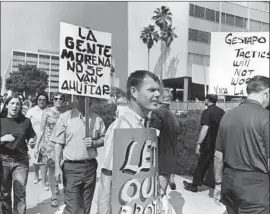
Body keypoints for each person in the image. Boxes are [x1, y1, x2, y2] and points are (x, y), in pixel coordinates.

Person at [97, 70, 161, 214]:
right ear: (134, 92)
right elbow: (107, 178)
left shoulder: (144, 125)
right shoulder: (123, 126)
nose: (157, 94)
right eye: (151, 90)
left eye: (158, 90)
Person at [214, 75, 269, 214]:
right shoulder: (266, 117)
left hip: (229, 181)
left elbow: (218, 155)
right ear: (266, 92)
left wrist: (218, 183)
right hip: (255, 187)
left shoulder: (227, 115)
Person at [51, 95, 106, 214]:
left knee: (86, 205)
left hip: (90, 167)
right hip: (71, 168)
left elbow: (104, 139)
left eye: (91, 98)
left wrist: (94, 142)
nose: (89, 101)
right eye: (85, 98)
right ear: (77, 98)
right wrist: (57, 168)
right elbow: (58, 144)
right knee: (73, 207)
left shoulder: (97, 119)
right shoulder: (66, 117)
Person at [0, 95, 36, 214]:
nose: (15, 106)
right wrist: (2, 138)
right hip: (3, 160)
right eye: (12, 103)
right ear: (6, 105)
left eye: (18, 104)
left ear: (21, 107)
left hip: (21, 161)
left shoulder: (25, 121)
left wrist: (31, 141)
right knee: (4, 192)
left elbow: (31, 135)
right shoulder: (1, 120)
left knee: (20, 193)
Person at [183, 94, 225, 192]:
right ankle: (212, 184)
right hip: (218, 142)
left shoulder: (207, 112)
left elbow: (205, 128)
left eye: (205, 99)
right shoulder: (222, 112)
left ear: (208, 100)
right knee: (215, 164)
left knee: (202, 164)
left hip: (208, 143)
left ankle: (194, 185)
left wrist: (199, 143)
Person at [34, 92, 65, 207]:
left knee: (61, 170)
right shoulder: (46, 112)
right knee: (52, 172)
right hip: (48, 146)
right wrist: (37, 146)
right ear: (52, 99)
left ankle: (56, 186)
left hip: (62, 146)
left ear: (63, 100)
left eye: (60, 98)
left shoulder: (65, 114)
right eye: (56, 98)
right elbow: (41, 130)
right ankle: (53, 196)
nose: (58, 100)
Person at [149, 88, 178, 195]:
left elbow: (152, 137)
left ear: (159, 99)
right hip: (169, 161)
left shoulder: (157, 113)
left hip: (159, 161)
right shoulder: (173, 115)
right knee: (162, 194)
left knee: (157, 196)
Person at [26, 92, 49, 187]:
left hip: (46, 139)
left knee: (44, 160)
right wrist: (28, 138)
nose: (42, 101)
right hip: (34, 138)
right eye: (40, 100)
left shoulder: (49, 111)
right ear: (37, 100)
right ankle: (36, 174)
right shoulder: (31, 111)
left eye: (44, 100)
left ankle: (44, 181)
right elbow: (25, 125)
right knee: (35, 159)